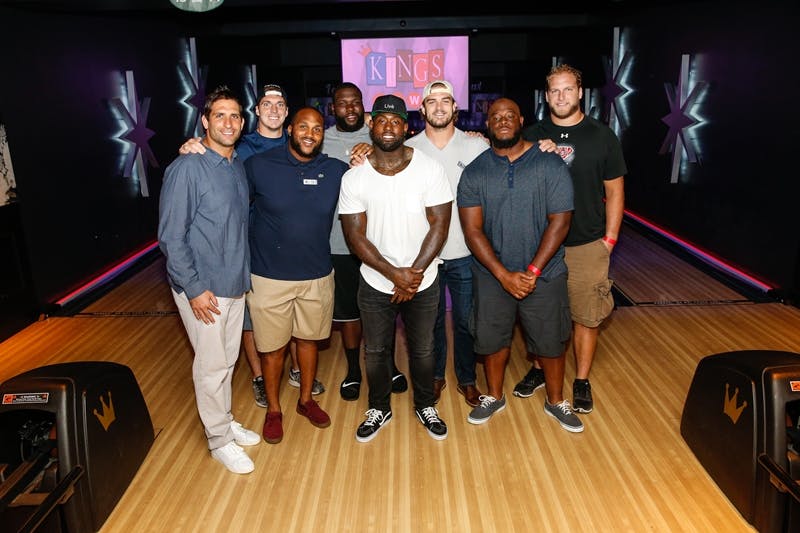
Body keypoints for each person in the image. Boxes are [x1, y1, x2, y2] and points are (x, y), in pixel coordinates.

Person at [180, 84, 325, 406]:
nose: (273, 109)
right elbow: (209, 158)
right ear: (256, 111)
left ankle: (297, 370)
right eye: (266, 104)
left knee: (291, 320)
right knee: (250, 320)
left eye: (280, 104)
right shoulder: (237, 146)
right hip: (243, 250)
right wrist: (193, 145)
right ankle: (260, 377)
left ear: (287, 115)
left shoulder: (298, 143)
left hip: (286, 250)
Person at [458, 97, 584, 433]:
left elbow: (561, 221)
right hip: (491, 273)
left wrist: (532, 272)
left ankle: (555, 400)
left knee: (551, 340)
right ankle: (494, 396)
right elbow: (472, 231)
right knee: (491, 339)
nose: (502, 121)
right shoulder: (475, 172)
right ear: (487, 124)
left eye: (509, 115)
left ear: (521, 120)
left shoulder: (549, 164)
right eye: (496, 116)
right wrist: (502, 275)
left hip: (544, 273)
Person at [158, 85, 261, 474]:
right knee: (212, 365)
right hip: (204, 288)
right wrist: (194, 288)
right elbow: (171, 236)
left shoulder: (235, 165)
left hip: (234, 281)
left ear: (242, 122)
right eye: (220, 115)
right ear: (205, 121)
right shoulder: (187, 168)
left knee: (227, 361)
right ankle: (218, 439)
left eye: (235, 116)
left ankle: (224, 421)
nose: (228, 123)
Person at [514, 64, 626, 415]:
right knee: (540, 315)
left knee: (586, 316)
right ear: (546, 96)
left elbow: (615, 191)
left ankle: (581, 380)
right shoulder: (531, 135)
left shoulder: (602, 136)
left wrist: (609, 239)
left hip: (586, 243)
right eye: (555, 91)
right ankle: (538, 369)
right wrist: (535, 153)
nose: (561, 96)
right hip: (542, 244)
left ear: (580, 93)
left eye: (567, 89)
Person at [339, 94, 452, 442]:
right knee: (376, 351)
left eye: (396, 121)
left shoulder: (430, 169)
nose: (388, 127)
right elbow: (355, 237)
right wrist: (394, 275)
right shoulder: (354, 177)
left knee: (423, 350)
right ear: (371, 124)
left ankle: (425, 404)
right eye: (382, 120)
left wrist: (411, 276)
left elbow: (440, 225)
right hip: (376, 281)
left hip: (422, 280)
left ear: (406, 127)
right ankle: (379, 407)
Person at [245, 107, 348, 444]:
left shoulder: (336, 170)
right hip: (269, 277)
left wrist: (366, 152)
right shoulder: (258, 166)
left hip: (317, 275)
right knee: (273, 349)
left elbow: (377, 175)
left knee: (308, 341)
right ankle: (274, 410)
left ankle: (306, 400)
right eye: (303, 127)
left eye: (317, 129)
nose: (310, 134)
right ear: (290, 129)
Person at [405, 79, 489, 407]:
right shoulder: (408, 150)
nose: (439, 106)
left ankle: (467, 379)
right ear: (422, 109)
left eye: (445, 100)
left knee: (466, 322)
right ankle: (436, 375)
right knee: (432, 322)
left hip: (466, 253)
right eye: (432, 101)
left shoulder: (476, 147)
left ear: (455, 107)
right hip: (425, 256)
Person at [322, 82, 407, 401]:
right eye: (342, 103)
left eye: (355, 102)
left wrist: (375, 151)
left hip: (382, 243)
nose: (350, 108)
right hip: (339, 243)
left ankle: (389, 364)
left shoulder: (382, 136)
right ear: (333, 108)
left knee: (385, 310)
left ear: (364, 106)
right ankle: (354, 371)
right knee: (349, 314)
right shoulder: (321, 140)